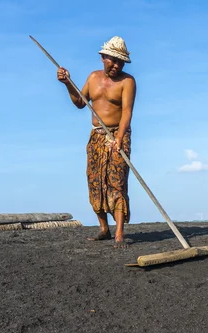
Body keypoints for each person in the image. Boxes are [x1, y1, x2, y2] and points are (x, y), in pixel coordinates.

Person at [57, 36, 137, 248]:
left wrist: (119, 139)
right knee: (95, 182)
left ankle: (119, 232)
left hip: (118, 134)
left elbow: (127, 112)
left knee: (116, 182)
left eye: (120, 62)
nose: (116, 65)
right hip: (97, 136)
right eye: (113, 60)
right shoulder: (93, 78)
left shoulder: (128, 82)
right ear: (103, 57)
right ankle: (104, 229)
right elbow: (79, 103)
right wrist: (67, 83)